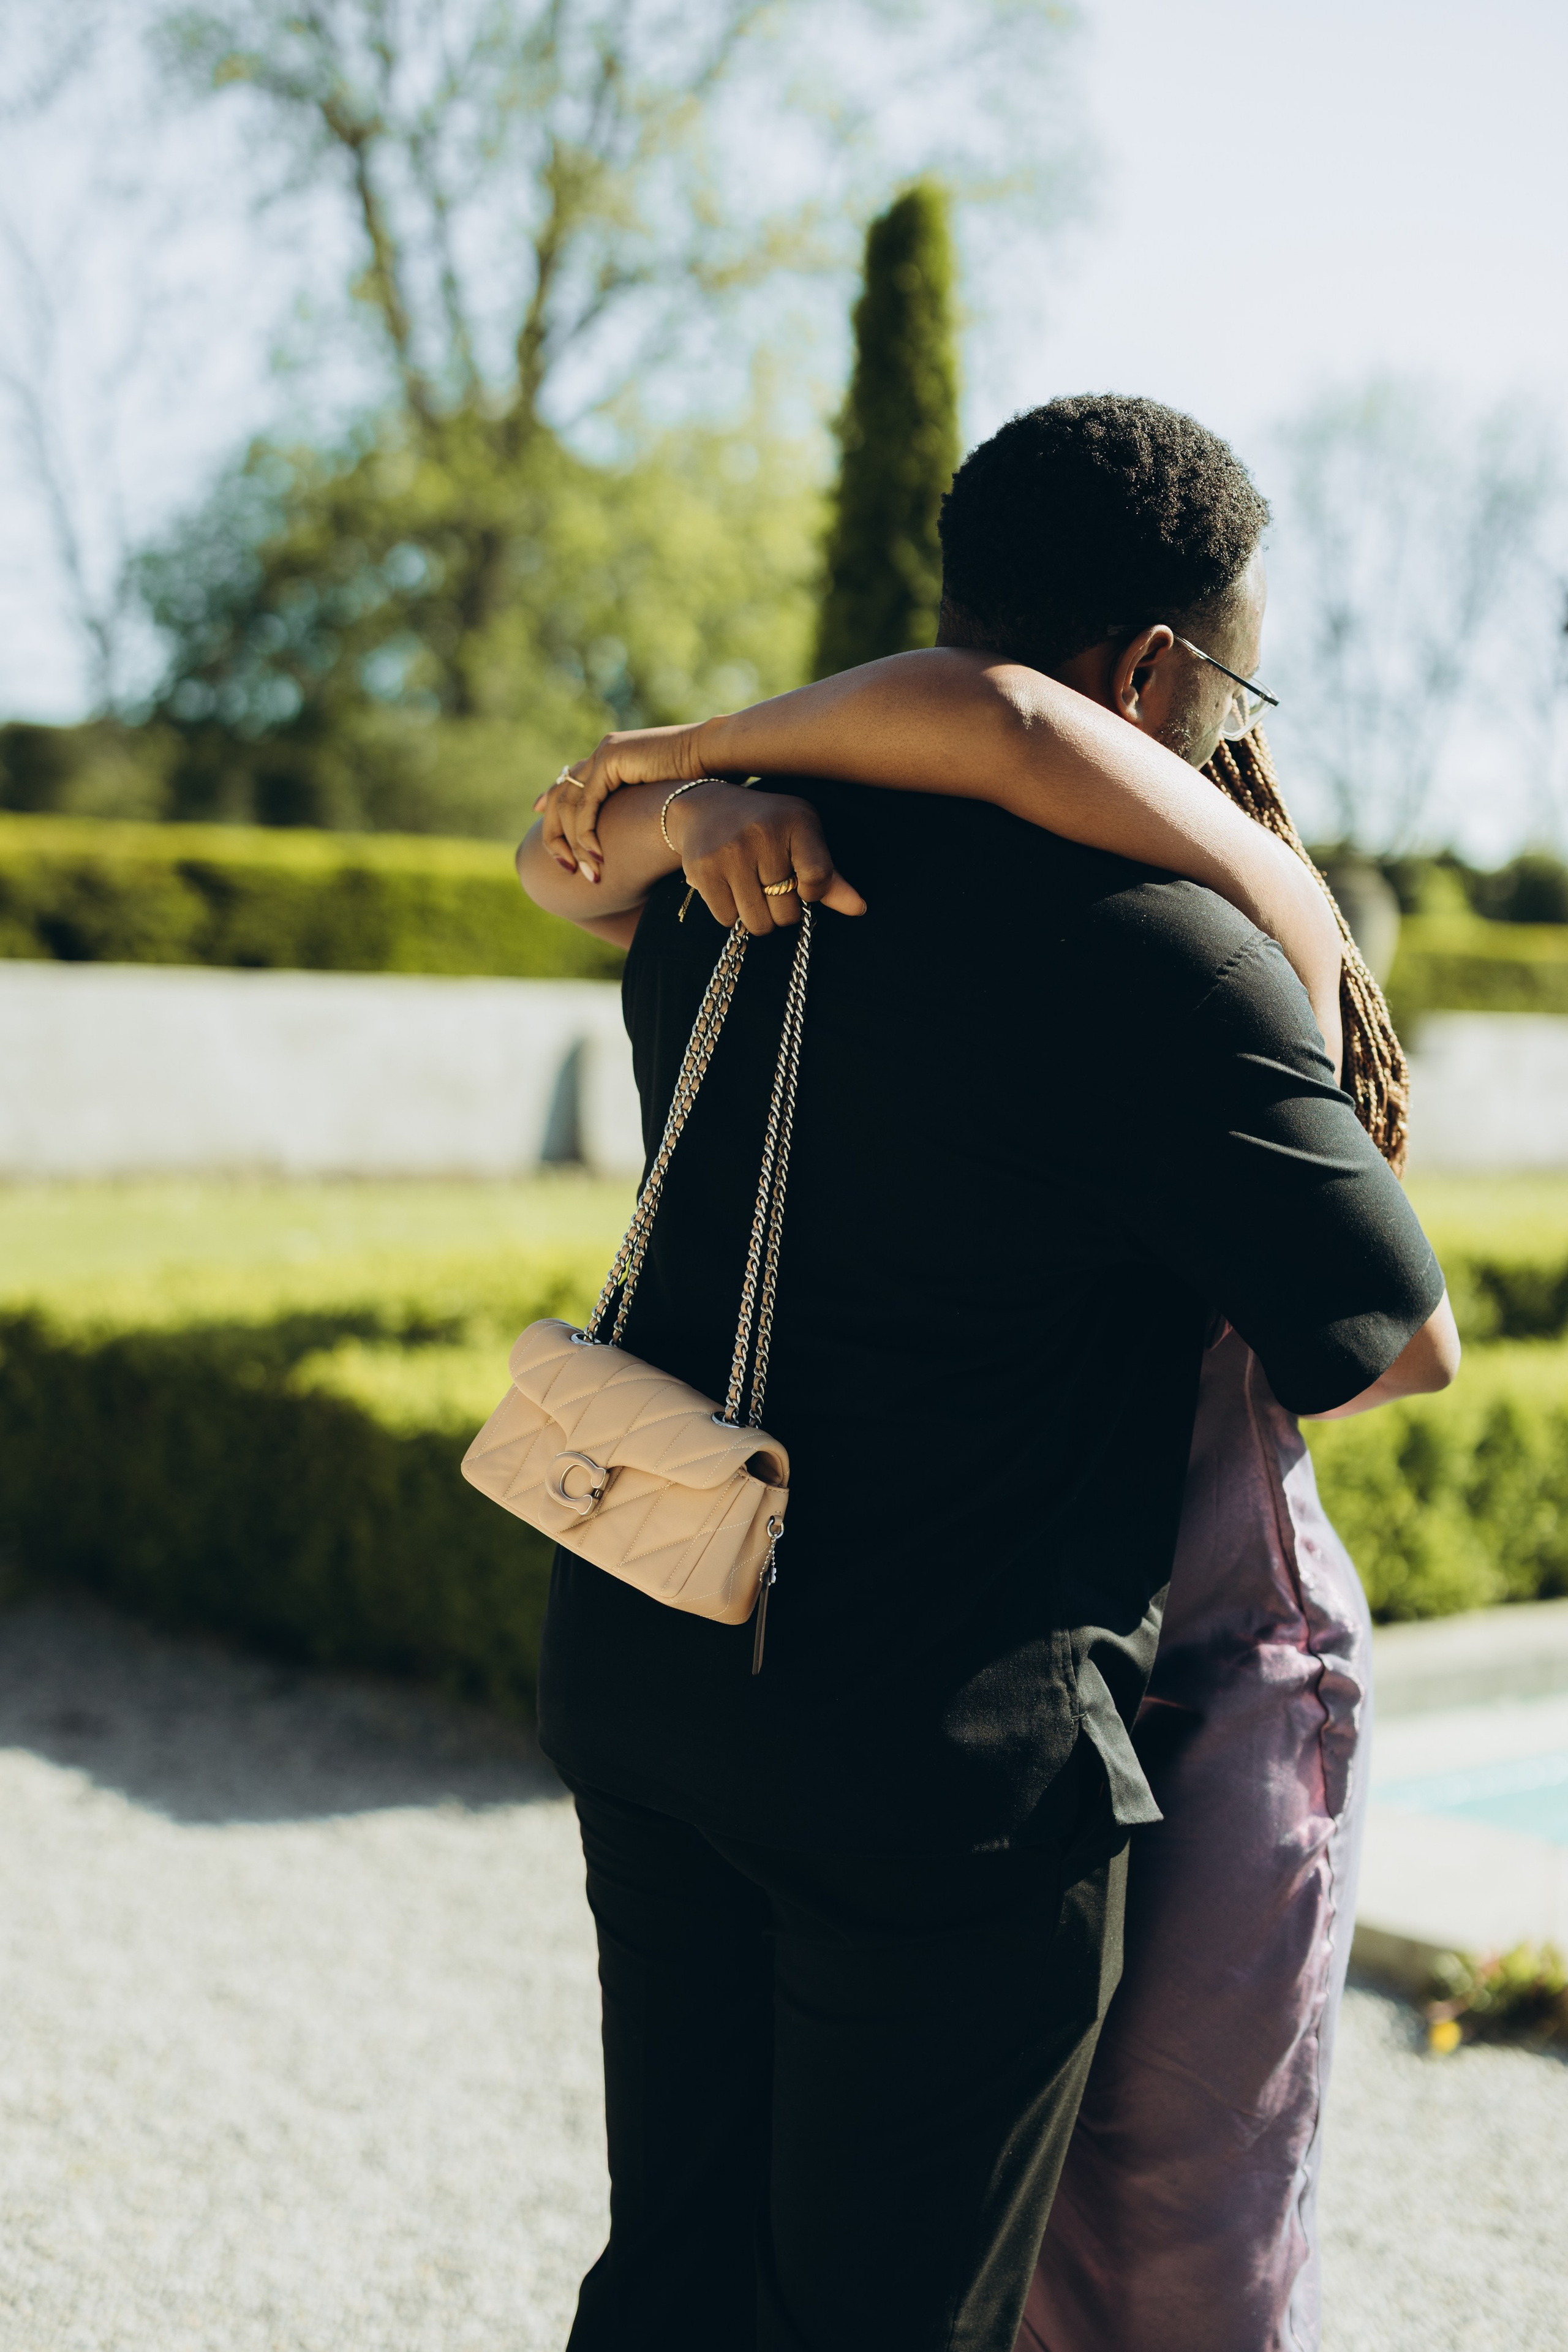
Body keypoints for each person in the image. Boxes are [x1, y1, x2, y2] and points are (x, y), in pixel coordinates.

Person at [517, 395, 1458, 2352]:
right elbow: (1391, 1352)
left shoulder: (724, 875)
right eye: (1240, 699)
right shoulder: (1157, 954)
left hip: (653, 1659)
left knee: (671, 2284)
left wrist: (694, 785)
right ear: (1153, 671)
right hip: (941, 1775)